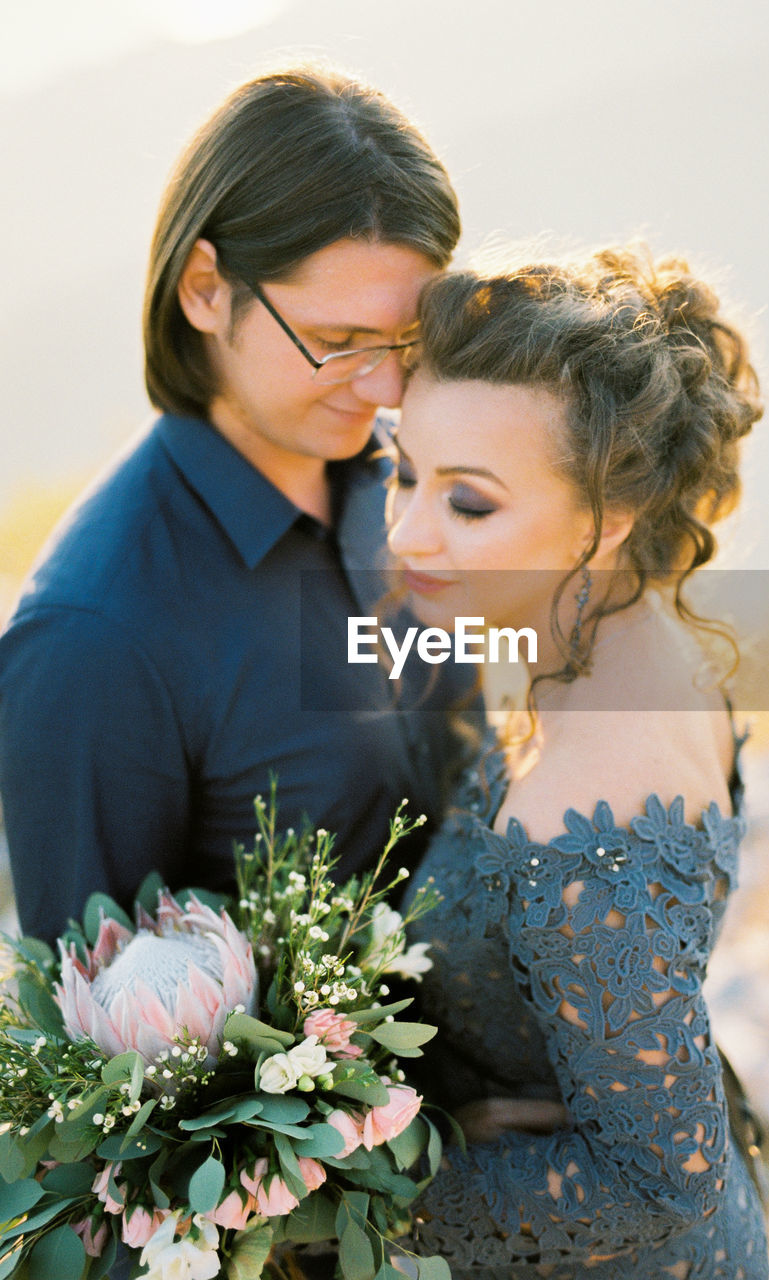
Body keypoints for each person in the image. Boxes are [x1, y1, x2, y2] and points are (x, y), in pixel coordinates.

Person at [0, 65, 463, 943]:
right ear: (206, 289)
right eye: (338, 342)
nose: (389, 384)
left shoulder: (418, 484)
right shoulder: (93, 635)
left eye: (409, 339)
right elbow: (99, 1055)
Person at [389, 247, 769, 1277]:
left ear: (604, 519)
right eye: (403, 470)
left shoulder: (582, 797)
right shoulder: (624, 631)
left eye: (469, 504)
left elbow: (657, 1179)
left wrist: (365, 1191)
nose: (408, 531)